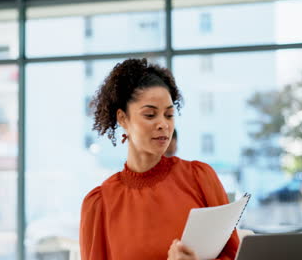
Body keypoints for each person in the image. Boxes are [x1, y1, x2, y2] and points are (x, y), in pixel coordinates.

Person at [80, 58, 239, 260]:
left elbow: (235, 255)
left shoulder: (199, 178)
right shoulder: (100, 204)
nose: (163, 124)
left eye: (169, 115)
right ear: (123, 119)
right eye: (150, 115)